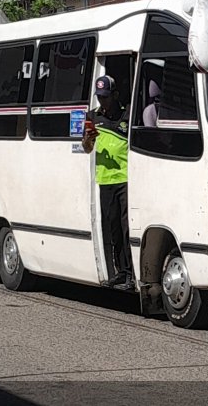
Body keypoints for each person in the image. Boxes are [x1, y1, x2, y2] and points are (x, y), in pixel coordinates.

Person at [82, 75, 134, 290]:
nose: (102, 102)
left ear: (115, 95)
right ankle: (120, 271)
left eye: (105, 97)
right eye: (99, 97)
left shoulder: (126, 114)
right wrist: (89, 138)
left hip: (125, 178)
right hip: (105, 180)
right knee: (113, 227)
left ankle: (131, 272)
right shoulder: (92, 117)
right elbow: (86, 148)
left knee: (126, 228)